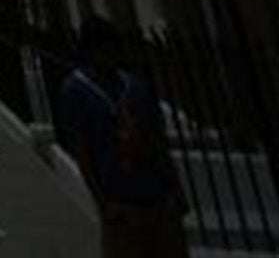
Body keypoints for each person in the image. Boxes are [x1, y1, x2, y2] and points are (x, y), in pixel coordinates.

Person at [56, 16, 188, 258]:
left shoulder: (135, 86)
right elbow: (83, 150)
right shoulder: (77, 91)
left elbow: (157, 140)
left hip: (157, 196)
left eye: (112, 47)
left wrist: (174, 188)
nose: (111, 54)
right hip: (121, 204)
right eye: (104, 49)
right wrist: (103, 203)